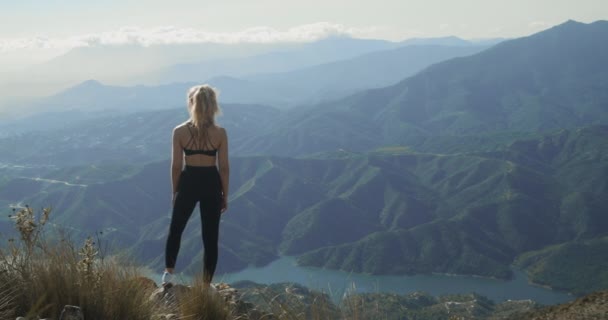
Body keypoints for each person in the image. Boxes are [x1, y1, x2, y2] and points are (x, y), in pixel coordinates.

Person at [163, 84, 229, 287]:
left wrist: (175, 191)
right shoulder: (220, 133)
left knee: (176, 229)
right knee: (210, 236)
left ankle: (168, 275)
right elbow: (224, 168)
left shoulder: (179, 132)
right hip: (211, 183)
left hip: (188, 181)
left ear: (192, 104)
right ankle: (206, 285)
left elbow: (176, 166)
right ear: (213, 105)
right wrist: (224, 195)